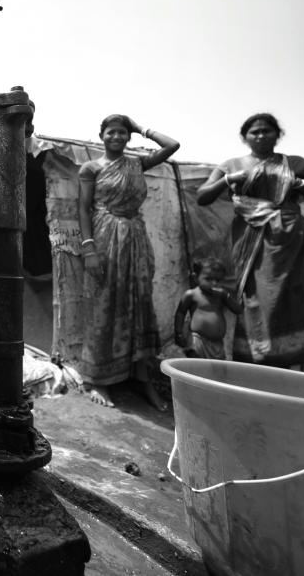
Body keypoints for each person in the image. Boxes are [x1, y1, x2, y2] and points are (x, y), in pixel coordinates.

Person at [196, 112, 304, 372]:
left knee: (294, 296)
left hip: (291, 239)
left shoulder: (298, 164)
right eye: (254, 132)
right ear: (244, 137)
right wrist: (227, 180)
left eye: (266, 131)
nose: (260, 135)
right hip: (249, 240)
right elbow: (202, 197)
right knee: (255, 297)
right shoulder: (231, 165)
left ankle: (299, 363)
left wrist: (299, 184)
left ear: (278, 135)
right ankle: (257, 363)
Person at [77, 114, 179, 410]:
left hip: (135, 239)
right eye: (111, 132)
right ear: (102, 135)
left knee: (138, 305)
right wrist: (89, 249)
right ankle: (98, 379)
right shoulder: (91, 167)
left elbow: (173, 145)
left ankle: (141, 377)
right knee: (104, 305)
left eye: (123, 132)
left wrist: (141, 128)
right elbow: (83, 208)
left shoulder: (136, 164)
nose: (117, 137)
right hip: (106, 238)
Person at [173, 258, 242, 359]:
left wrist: (226, 296)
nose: (214, 283)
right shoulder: (192, 295)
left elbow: (238, 310)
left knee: (216, 372)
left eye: (218, 280)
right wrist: (178, 332)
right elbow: (180, 313)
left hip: (217, 344)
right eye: (208, 279)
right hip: (197, 341)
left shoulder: (221, 296)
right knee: (197, 369)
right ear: (195, 277)